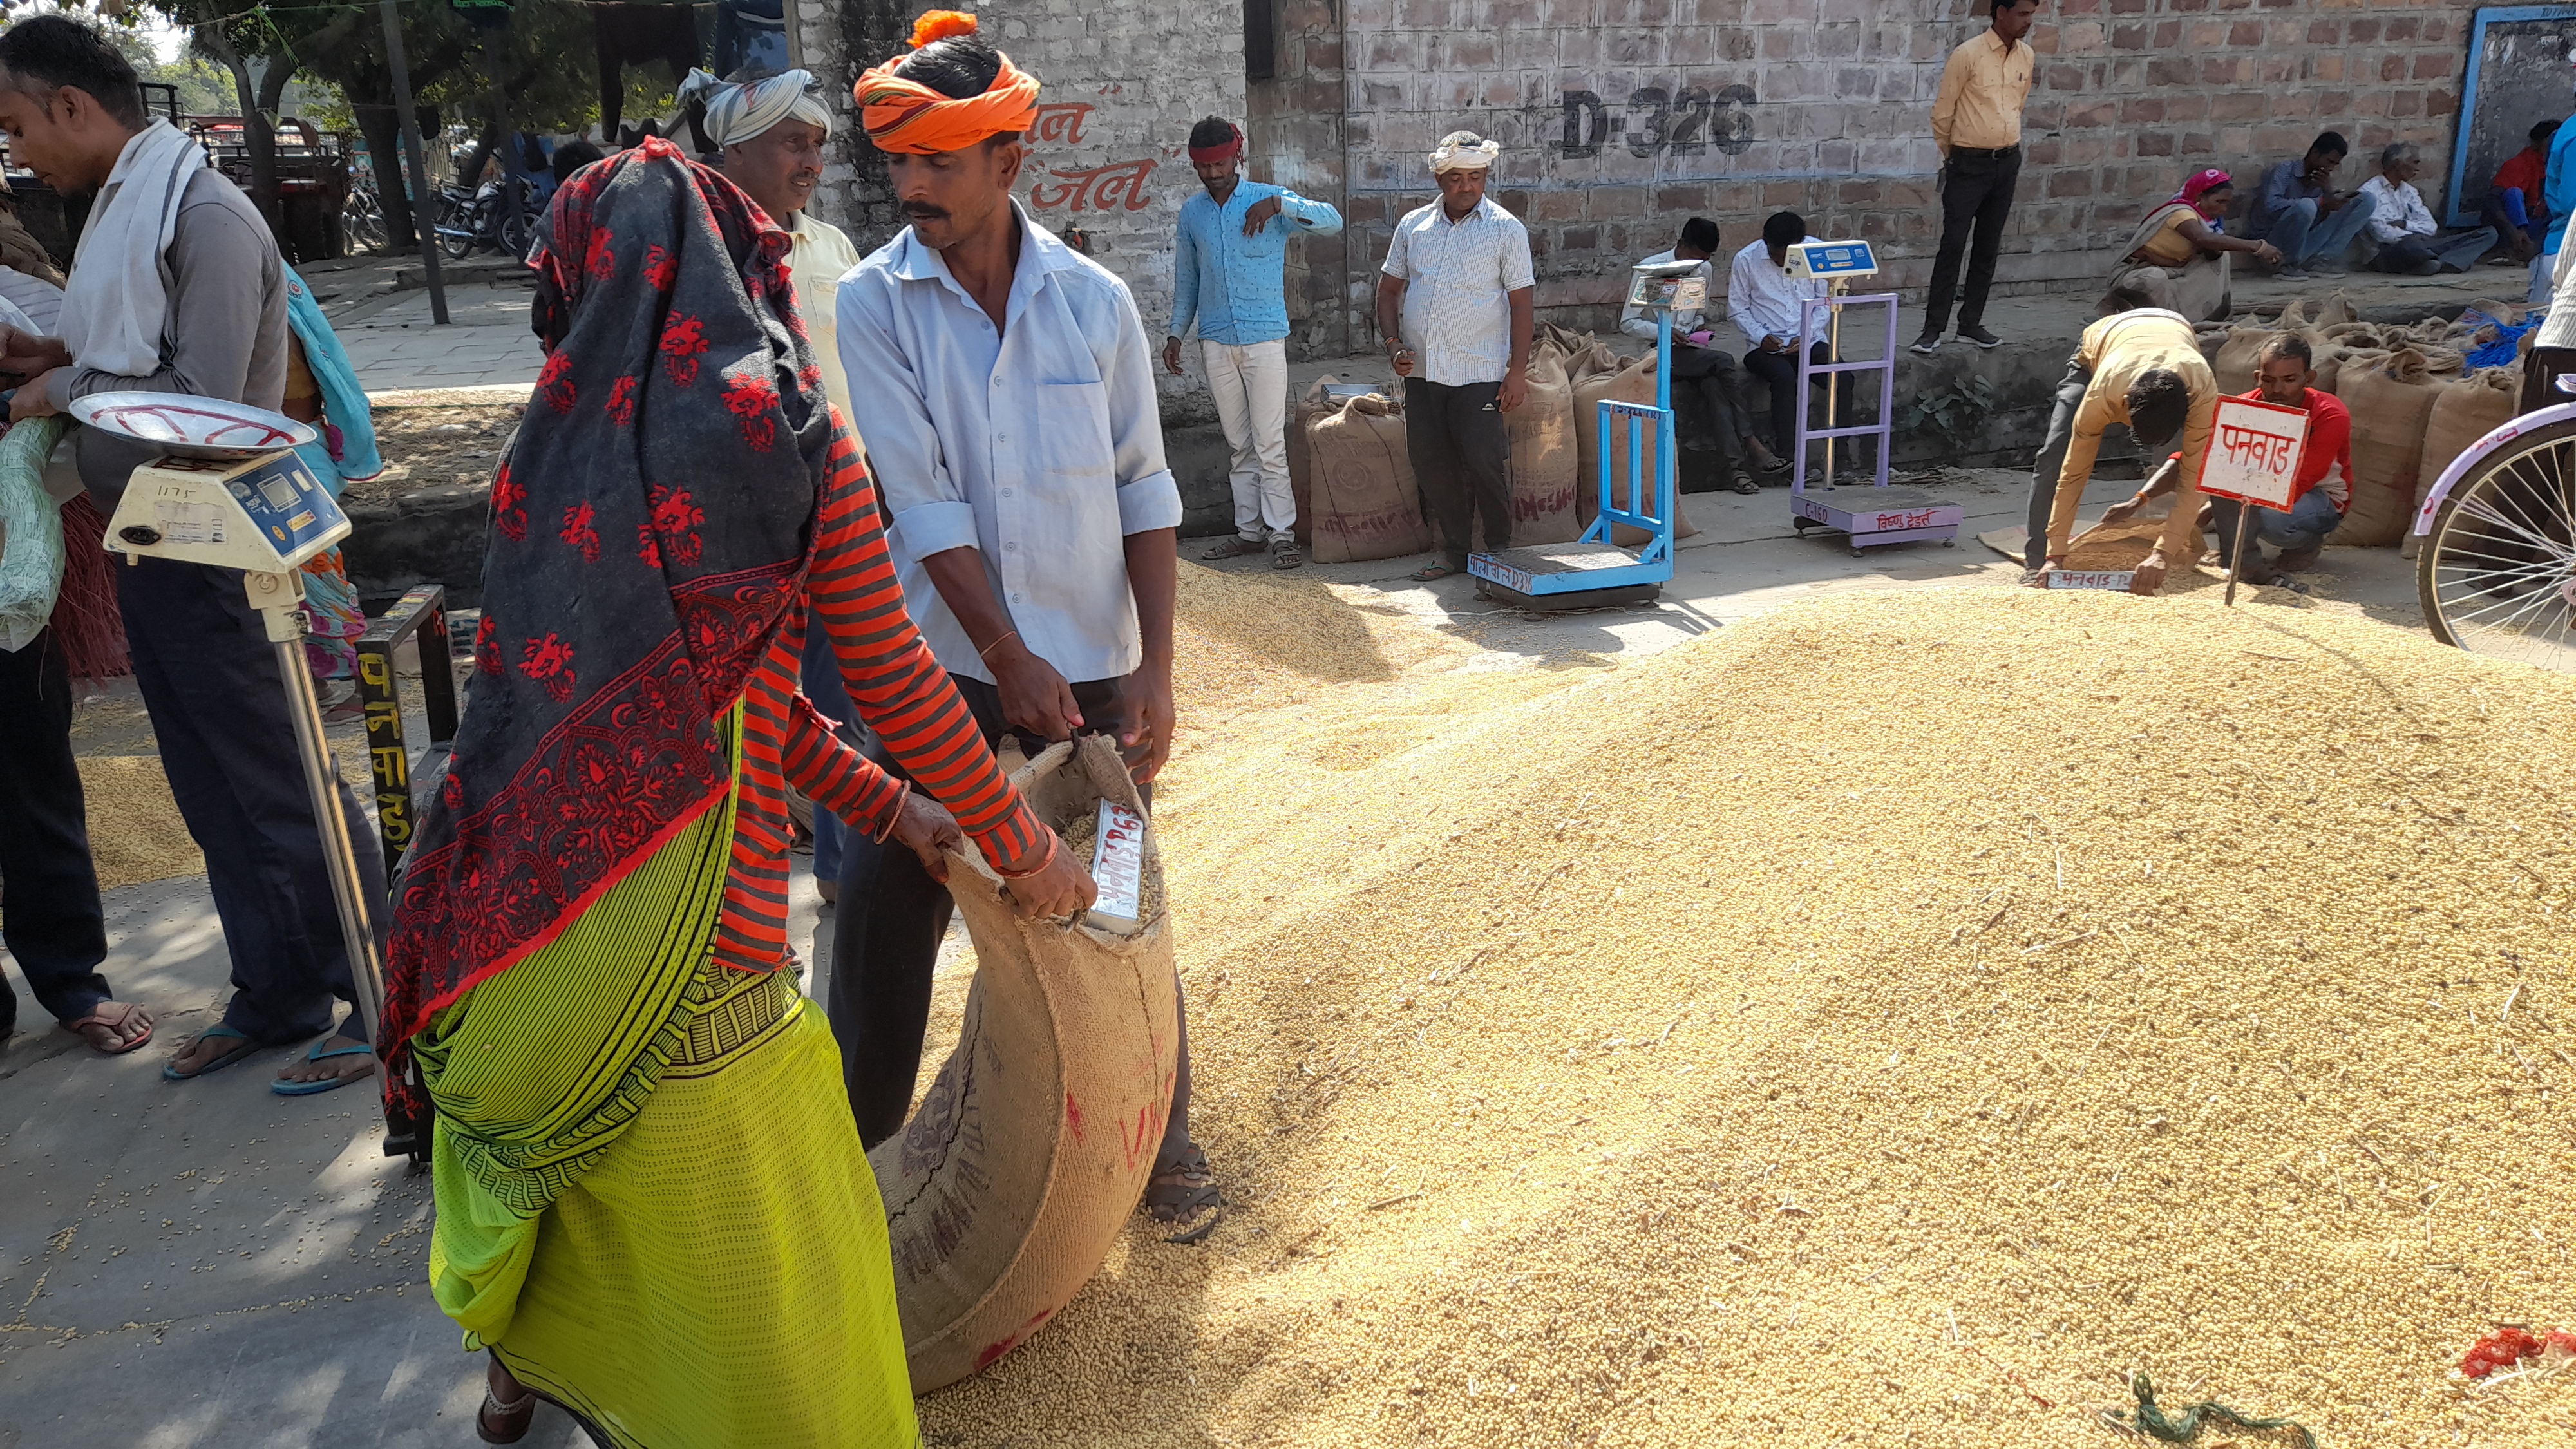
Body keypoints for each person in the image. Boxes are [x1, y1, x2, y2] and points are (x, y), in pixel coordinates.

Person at [381, 135, 1091, 1448]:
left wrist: (894, 814)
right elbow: (897, 684)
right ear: (740, 268)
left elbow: (738, 710)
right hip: (697, 993)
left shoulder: (551, 453)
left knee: (626, 1305)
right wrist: (1016, 846)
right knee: (785, 1357)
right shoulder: (784, 443)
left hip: (523, 956)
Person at [835, 12, 1219, 1227]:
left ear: (1009, 162)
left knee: (1118, 917)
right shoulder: (873, 304)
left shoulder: (1095, 303)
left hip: (1094, 680)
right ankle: (853, 1178)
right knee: (887, 931)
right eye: (898, 163)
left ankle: (1165, 1152)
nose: (911, 187)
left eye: (936, 162)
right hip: (939, 678)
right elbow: (925, 504)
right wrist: (1006, 654)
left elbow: (1144, 488)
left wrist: (1156, 670)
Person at [0, 14, 388, 1094]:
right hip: (156, 539)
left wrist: (56, 387)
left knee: (282, 777)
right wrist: (59, 352)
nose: (17, 151)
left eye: (19, 125)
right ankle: (276, 993)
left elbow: (202, 404)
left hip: (220, 539)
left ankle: (381, 990)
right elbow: (125, 349)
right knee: (212, 785)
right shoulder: (125, 206)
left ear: (74, 107)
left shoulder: (200, 217)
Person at [690, 66, 869, 903]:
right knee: (748, 712)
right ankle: (740, 897)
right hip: (740, 521)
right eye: (792, 144)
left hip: (840, 496)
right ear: (735, 151)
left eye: (817, 147)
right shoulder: (698, 254)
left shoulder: (829, 249)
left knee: (846, 694)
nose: (811, 163)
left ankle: (839, 867)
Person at [1165, 115, 1342, 570]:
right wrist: (1175, 333)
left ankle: (1281, 534)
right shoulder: (1193, 214)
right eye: (1203, 167)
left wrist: (1280, 204)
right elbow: (1188, 278)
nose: (1212, 174)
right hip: (1216, 341)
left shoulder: (1267, 199)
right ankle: (1248, 532)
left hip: (1264, 339)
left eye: (1220, 164)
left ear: (1236, 157)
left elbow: (1332, 223)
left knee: (1269, 443)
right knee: (1238, 444)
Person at [1376, 130, 1533, 583]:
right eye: (1457, 178)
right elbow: (1388, 292)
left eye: (1476, 177)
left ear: (1486, 178)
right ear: (1440, 178)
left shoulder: (1505, 229)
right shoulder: (1414, 227)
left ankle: (1500, 549)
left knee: (1484, 461)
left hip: (1480, 370)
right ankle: (1457, 550)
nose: (1467, 187)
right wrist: (1393, 346)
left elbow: (1522, 305)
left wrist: (1516, 372)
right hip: (1423, 373)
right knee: (1431, 461)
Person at [2096, 332, 2349, 585]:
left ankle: (2304, 546)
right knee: (2224, 480)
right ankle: (2239, 556)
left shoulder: (2329, 414)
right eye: (2269, 380)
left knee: (2272, 519)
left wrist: (2224, 506)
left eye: (2290, 380)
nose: (2278, 390)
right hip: (2262, 490)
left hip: (2318, 498)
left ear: (2309, 378)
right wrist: (2138, 501)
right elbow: (2193, 459)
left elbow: (2305, 478)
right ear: (2257, 378)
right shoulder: (2241, 409)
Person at [2023, 307, 2216, 596]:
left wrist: (2162, 553)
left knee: (2195, 466)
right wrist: (2056, 555)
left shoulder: (2202, 390)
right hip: (2104, 341)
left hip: (2176, 330)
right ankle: (2038, 560)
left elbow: (2191, 478)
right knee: (2055, 456)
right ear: (2124, 404)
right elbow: (2074, 473)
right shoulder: (2102, 393)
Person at [279, 262, 384, 717]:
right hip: (291, 450)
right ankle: (311, 686)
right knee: (290, 583)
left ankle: (367, 688)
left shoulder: (266, 314)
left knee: (318, 576)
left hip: (293, 454)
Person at [1620, 217, 1783, 494]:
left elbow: (1696, 313)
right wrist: (1665, 332)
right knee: (1724, 362)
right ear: (1681, 246)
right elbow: (1627, 323)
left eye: (1705, 259)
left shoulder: (1704, 269)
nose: (1700, 263)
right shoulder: (1652, 269)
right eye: (1695, 257)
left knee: (1716, 389)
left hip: (1690, 350)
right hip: (1658, 351)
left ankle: (1736, 471)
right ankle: (1751, 441)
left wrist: (1700, 328)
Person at [1916, 0, 2038, 355]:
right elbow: (1943, 113)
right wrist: (1955, 156)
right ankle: (1932, 329)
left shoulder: (2026, 56)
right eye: (2022, 14)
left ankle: (1970, 323)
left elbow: (2018, 104)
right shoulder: (1967, 54)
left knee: (1988, 245)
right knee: (1953, 245)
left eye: (2031, 14)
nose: (2028, 21)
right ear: (2000, 12)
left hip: (2007, 160)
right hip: (1968, 162)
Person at [1731, 211, 1856, 482]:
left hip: (1810, 341)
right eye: (1777, 255)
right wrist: (1760, 335)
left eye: (1788, 256)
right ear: (1766, 244)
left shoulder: (1816, 252)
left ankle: (1841, 458)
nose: (1781, 262)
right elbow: (1738, 309)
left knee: (1843, 377)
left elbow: (1826, 302)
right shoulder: (1745, 259)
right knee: (1785, 378)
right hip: (1763, 346)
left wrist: (1806, 333)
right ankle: (1791, 459)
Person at [2102, 169, 2277, 324]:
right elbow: (2202, 238)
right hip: (2137, 274)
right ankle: (2138, 317)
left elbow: (2211, 249)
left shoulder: (2209, 222)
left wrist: (2217, 248)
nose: (2224, 208)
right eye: (2219, 201)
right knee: (2154, 277)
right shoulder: (2181, 213)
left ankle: (2210, 314)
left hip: (2175, 270)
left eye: (2227, 203)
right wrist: (2258, 247)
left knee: (2222, 256)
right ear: (2200, 197)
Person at [2243, 131, 2376, 279]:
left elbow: (2319, 219)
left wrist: (2328, 195)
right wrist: (2320, 202)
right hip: (2272, 246)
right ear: (2314, 153)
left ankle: (2320, 261)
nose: (2331, 168)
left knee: (2366, 200)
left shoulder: (2322, 179)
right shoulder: (2284, 171)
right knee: (2306, 206)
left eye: (2335, 164)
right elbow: (2271, 206)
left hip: (2303, 245)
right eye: (2329, 162)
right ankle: (2288, 266)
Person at [2362, 142, 2500, 276]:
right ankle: (2447, 261)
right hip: (2390, 250)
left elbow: (2431, 227)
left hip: (2424, 244)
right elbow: (2381, 233)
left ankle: (2436, 263)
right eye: (2415, 162)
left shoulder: (2409, 192)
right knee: (2411, 245)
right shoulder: (2370, 192)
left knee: (2489, 234)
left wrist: (2406, 224)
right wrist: (2414, 234)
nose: (2417, 169)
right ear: (2398, 163)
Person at [2485, 119, 2559, 263]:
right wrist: (2515, 231)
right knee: (2514, 193)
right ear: (2538, 144)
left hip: (2538, 227)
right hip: (2510, 229)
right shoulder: (2518, 164)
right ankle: (2519, 246)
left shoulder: (2556, 166)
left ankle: (2533, 250)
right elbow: (2492, 202)